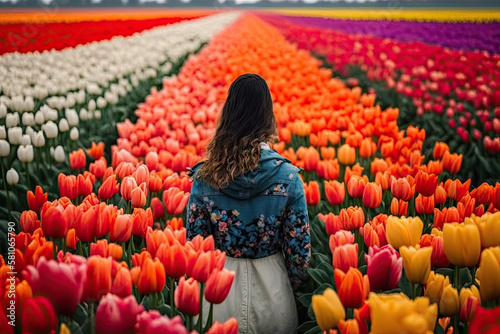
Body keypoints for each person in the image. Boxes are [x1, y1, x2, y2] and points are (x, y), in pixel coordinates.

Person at [186, 73, 310, 334]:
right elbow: (299, 255)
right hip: (273, 290)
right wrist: (291, 282)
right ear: (268, 117)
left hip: (219, 293)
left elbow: (195, 245)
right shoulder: (288, 178)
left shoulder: (205, 178)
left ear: (228, 114)